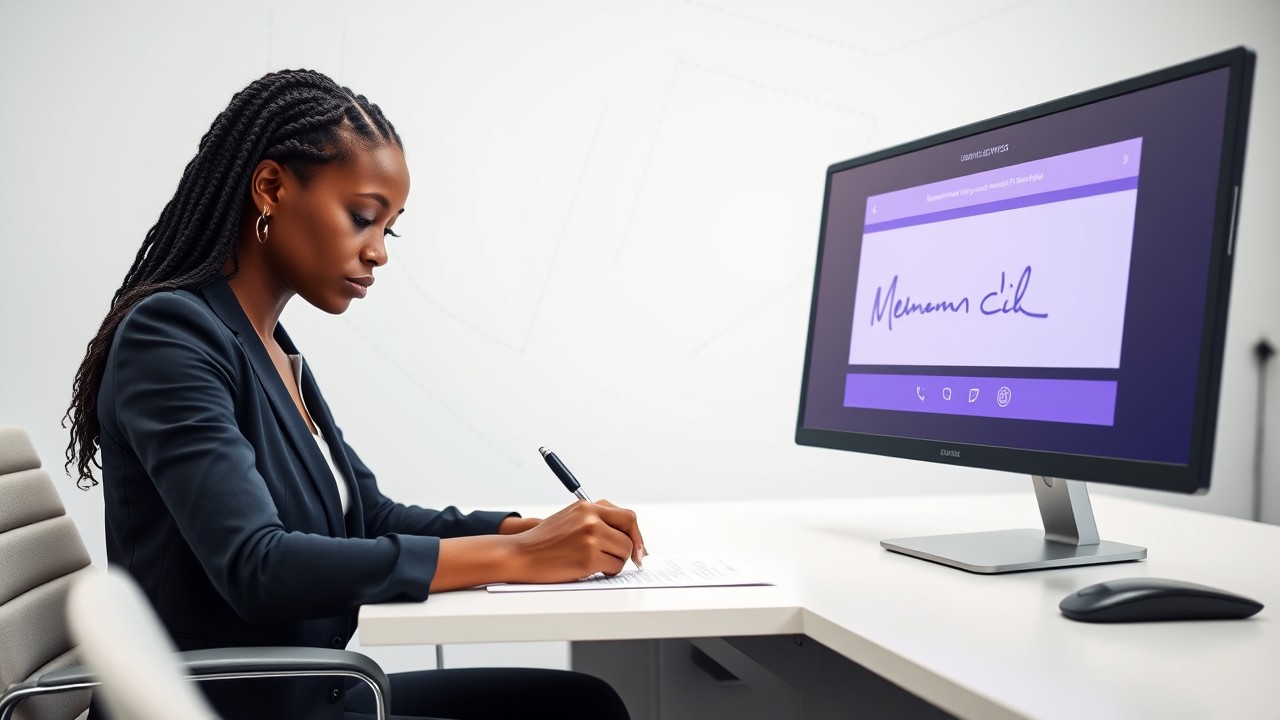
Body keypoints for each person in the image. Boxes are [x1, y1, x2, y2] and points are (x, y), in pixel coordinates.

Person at [64, 69, 642, 720]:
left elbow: (364, 515)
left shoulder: (272, 349)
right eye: (363, 218)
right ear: (272, 188)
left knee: (581, 703)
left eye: (389, 229)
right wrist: (517, 557)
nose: (379, 254)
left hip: (317, 696)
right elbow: (258, 567)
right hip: (234, 708)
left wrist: (529, 529)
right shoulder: (171, 337)